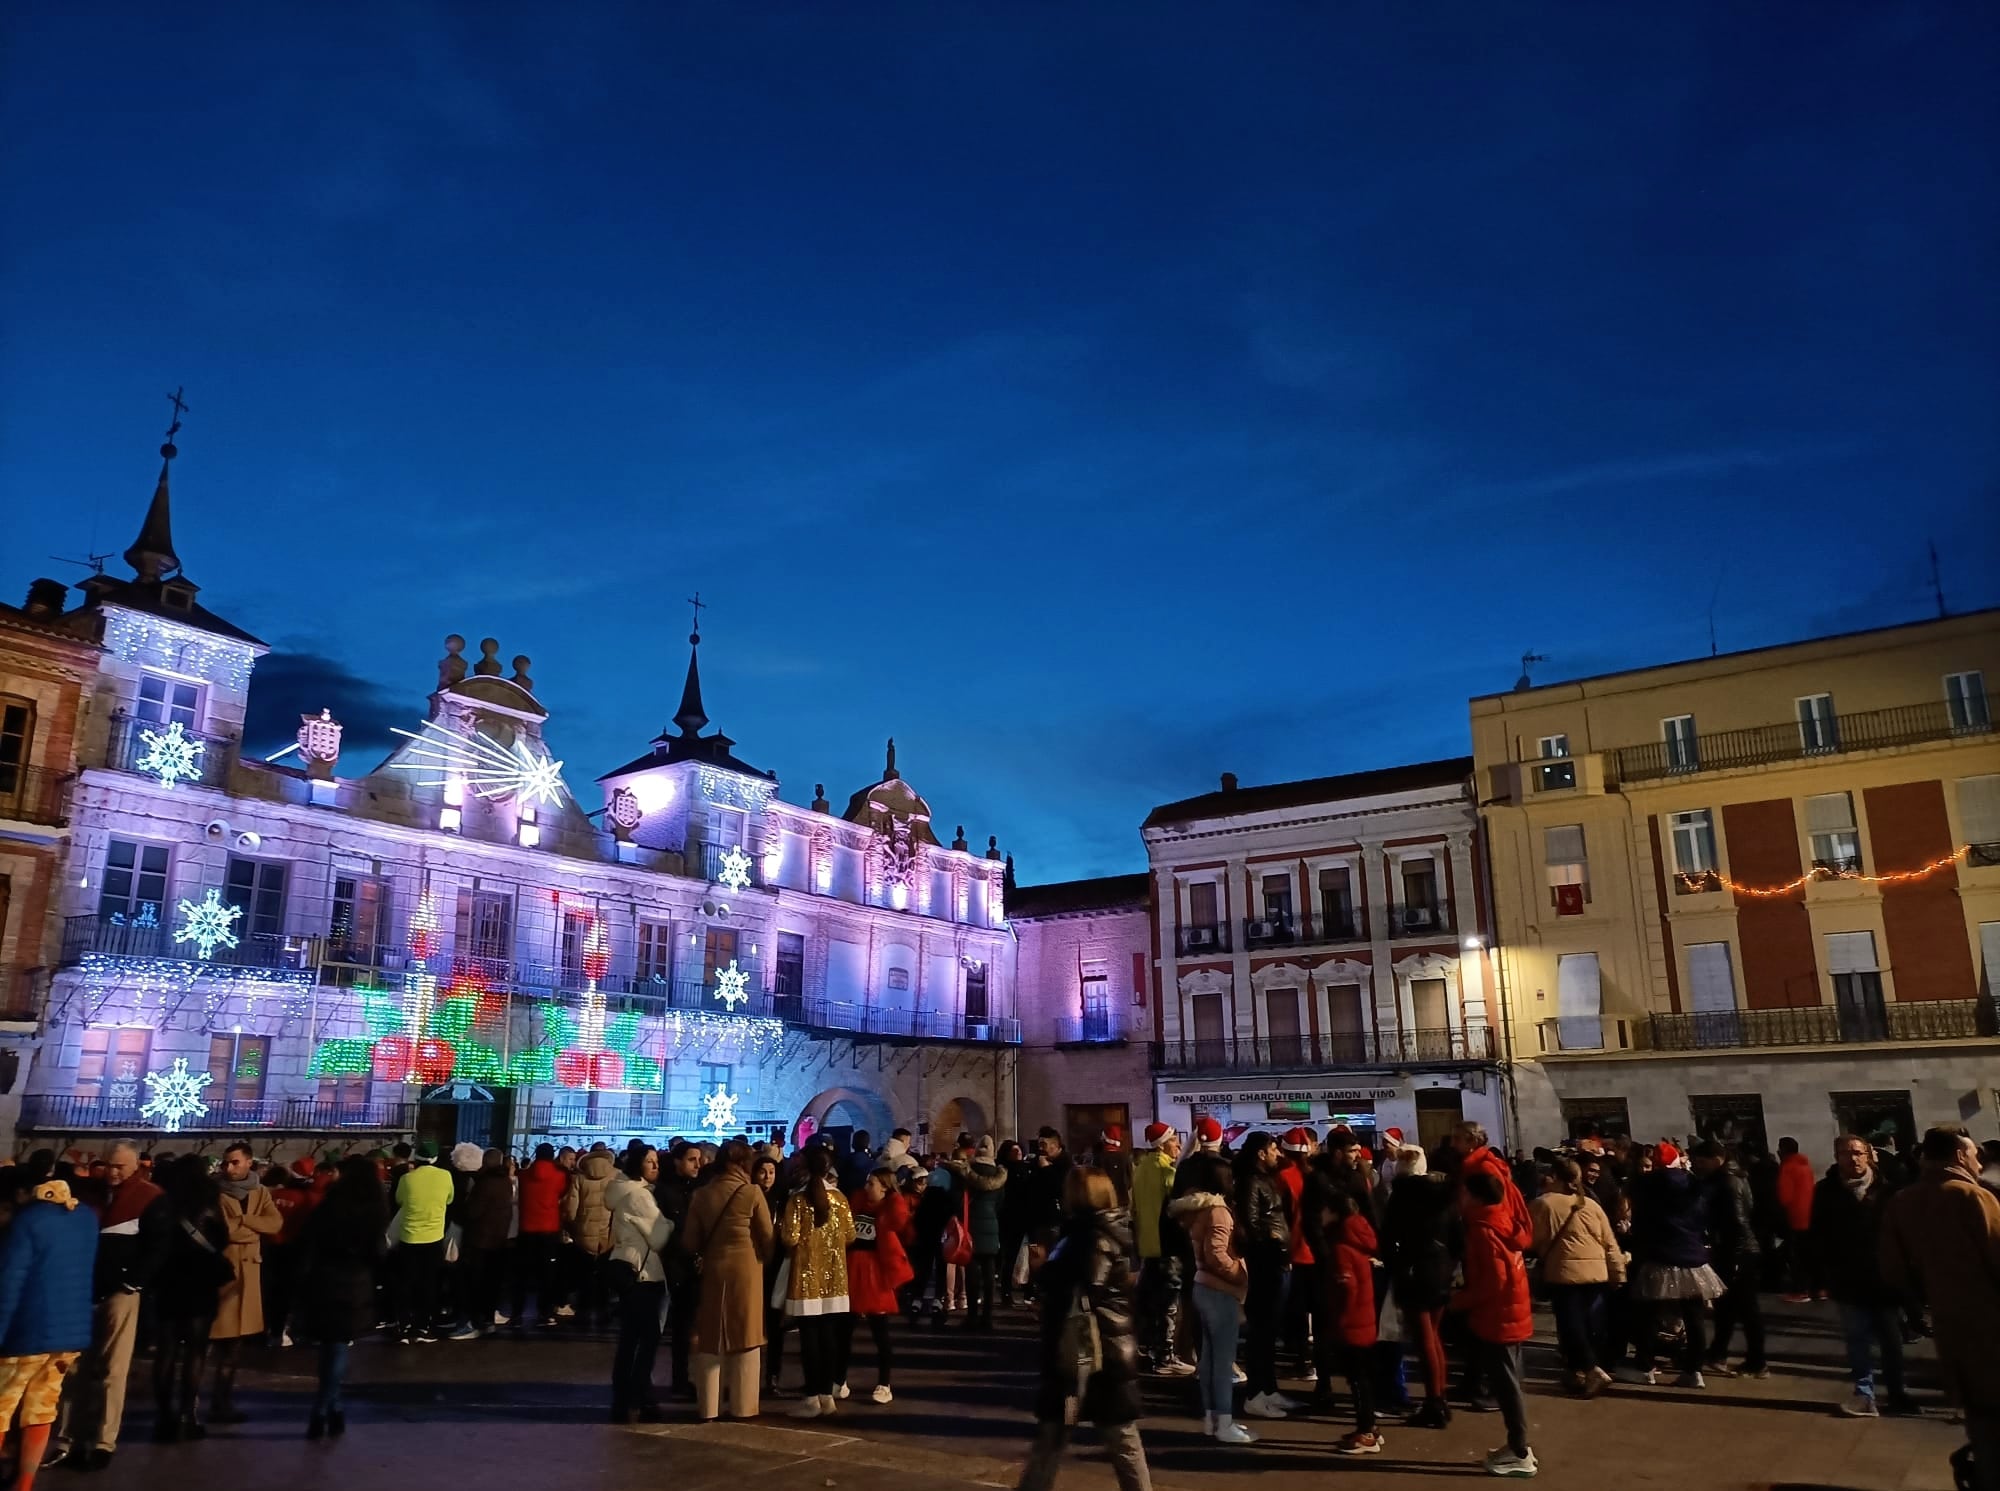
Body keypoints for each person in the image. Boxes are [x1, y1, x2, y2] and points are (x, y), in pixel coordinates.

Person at [1017, 1168, 1151, 1491]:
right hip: (1086, 1351)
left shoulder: (1095, 1236)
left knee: (1118, 1435)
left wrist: (1043, 1271)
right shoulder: (1087, 1231)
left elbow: (1088, 1285)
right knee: (1057, 1431)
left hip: (1093, 1353)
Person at [1882, 1127, 2000, 1491]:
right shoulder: (1974, 1196)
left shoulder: (1902, 1201)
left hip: (1950, 1325)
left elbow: (1893, 1268)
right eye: (1974, 1154)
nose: (1980, 1161)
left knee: (1980, 1414)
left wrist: (1926, 1304)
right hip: (1993, 1324)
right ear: (1959, 1157)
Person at [62, 1141, 168, 1470]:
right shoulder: (99, 1196)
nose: (113, 1172)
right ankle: (72, 1439)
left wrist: (131, 1283)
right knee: (76, 1370)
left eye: (120, 1166)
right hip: (92, 1290)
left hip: (118, 1292)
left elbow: (158, 1248)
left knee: (112, 1370)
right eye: (110, 1165)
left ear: (136, 1166)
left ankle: (102, 1440)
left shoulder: (147, 1199)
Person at [0, 1178, 97, 1491]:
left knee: (1, 1408)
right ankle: (25, 1481)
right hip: (69, 1335)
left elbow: (9, 1285)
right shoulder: (86, 1218)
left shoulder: (28, 1221)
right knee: (42, 1408)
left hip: (25, 1334)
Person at [1812, 1134, 1915, 1418]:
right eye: (1846, 1153)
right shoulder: (1826, 1191)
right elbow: (1818, 1236)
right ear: (1837, 1157)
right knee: (1857, 1339)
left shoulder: (1889, 1190)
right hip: (1848, 1279)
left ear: (1869, 1155)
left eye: (1858, 1153)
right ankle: (1864, 1393)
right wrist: (1820, 1276)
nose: (1853, 1158)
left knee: (1891, 1341)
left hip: (1885, 1278)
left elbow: (1904, 1234)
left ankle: (1897, 1392)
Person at [681, 1139, 775, 1422]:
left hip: (713, 1269)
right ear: (745, 1163)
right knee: (746, 1337)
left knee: (711, 1337)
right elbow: (767, 1238)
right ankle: (743, 1406)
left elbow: (689, 1241)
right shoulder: (752, 1193)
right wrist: (760, 1259)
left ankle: (708, 1407)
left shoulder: (702, 1194)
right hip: (746, 1270)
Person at [1455, 1168, 1537, 1479]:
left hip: (1498, 1315)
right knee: (1510, 1382)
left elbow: (1493, 1281)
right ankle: (1517, 1446)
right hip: (1511, 1310)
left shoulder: (1483, 1229)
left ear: (1474, 1196)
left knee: (1507, 1386)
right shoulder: (1501, 1222)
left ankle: (1519, 1449)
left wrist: (1458, 1301)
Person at [298, 1157, 387, 1440]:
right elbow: (376, 1250)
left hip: (324, 1277)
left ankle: (332, 1407)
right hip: (354, 1279)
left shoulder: (330, 1203)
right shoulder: (373, 1207)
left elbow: (308, 1239)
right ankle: (323, 1408)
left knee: (329, 1346)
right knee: (338, 1346)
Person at [1625, 1141, 1721, 1388]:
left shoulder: (1645, 1186)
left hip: (1659, 1256)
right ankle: (1694, 1370)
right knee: (1694, 1317)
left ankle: (1646, 1367)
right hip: (1692, 1256)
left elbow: (1641, 1221)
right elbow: (1704, 1217)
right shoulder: (1693, 1185)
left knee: (1648, 1315)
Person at [151, 1156, 231, 1442]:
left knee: (166, 1351)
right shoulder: (209, 1198)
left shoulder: (163, 1199)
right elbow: (223, 1237)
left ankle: (163, 1417)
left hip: (169, 1279)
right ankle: (187, 1415)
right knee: (195, 1351)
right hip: (201, 1279)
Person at [1169, 1171, 1252, 1443]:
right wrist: (1240, 1274)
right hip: (1220, 1290)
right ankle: (1224, 1422)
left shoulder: (1199, 1211)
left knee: (1209, 1360)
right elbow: (1216, 1253)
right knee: (1222, 1361)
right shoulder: (1219, 1212)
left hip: (1203, 1287)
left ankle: (1211, 1419)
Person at [1529, 1158, 1622, 1396]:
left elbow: (1532, 1239)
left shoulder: (1544, 1204)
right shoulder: (1591, 1205)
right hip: (1597, 1272)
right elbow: (1609, 1242)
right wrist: (1617, 1273)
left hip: (1564, 1273)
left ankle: (1591, 1370)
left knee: (1571, 1326)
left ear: (1556, 1177)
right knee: (1591, 1325)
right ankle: (1577, 1371)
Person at [1381, 1144, 1459, 1427]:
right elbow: (1457, 1236)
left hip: (1414, 1269)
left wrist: (1395, 1264)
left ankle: (1433, 1402)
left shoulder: (1402, 1196)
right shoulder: (1444, 1195)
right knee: (1435, 1337)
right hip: (1441, 1268)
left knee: (1424, 1336)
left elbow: (1388, 1237)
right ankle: (1440, 1398)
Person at [780, 1145, 856, 1419]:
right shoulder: (841, 1199)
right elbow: (850, 1235)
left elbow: (789, 1237)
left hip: (805, 1279)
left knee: (809, 1339)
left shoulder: (797, 1200)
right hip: (835, 1279)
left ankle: (811, 1397)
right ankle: (827, 1394)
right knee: (829, 1338)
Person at [208, 1142, 281, 1424]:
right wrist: (253, 1228)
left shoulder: (259, 1191)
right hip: (224, 1273)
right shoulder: (215, 1193)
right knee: (214, 1340)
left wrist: (246, 1220)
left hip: (248, 1274)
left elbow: (275, 1224)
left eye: (235, 1162)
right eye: (226, 1163)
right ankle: (203, 1401)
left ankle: (222, 1401)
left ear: (249, 1162)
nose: (229, 1167)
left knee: (235, 1345)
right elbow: (226, 1231)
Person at [607, 1148, 673, 1424]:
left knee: (629, 1339)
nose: (655, 1166)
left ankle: (624, 1397)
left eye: (657, 1161)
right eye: (650, 1161)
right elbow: (658, 1237)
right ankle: (639, 1397)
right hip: (644, 1274)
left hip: (628, 1270)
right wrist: (669, 1222)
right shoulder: (640, 1195)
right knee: (646, 1342)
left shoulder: (621, 1191)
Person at [1692, 1139, 1766, 1379]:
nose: (1697, 1166)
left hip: (1737, 1251)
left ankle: (1757, 1361)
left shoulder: (1726, 1181)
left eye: (1701, 1161)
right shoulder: (1734, 1177)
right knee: (1728, 1306)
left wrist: (1732, 1253)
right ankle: (1718, 1353)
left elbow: (1737, 1221)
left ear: (1716, 1159)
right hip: (1738, 1249)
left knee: (1746, 1309)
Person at [1233, 1132, 1294, 1420]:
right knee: (1262, 1330)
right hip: (1267, 1264)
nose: (1277, 1154)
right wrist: (1269, 1247)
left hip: (1277, 1260)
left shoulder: (1263, 1179)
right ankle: (1256, 1393)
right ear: (1260, 1152)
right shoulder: (1251, 1181)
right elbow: (1251, 1222)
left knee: (1270, 1330)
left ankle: (1268, 1389)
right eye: (1272, 1149)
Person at [1320, 1189, 1384, 1455]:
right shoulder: (1359, 1240)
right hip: (1365, 1319)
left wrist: (1338, 1318)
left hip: (1351, 1323)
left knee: (1357, 1381)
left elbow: (1347, 1287)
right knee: (1363, 1377)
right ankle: (1369, 1426)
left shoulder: (1341, 1248)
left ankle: (1365, 1430)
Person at [843, 1167, 913, 1403]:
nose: (866, 1187)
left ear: (884, 1187)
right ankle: (839, 1379)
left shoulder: (890, 1209)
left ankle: (884, 1383)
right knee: (845, 1329)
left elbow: (900, 1222)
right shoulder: (858, 1204)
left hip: (875, 1272)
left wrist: (894, 1198)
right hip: (853, 1268)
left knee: (880, 1332)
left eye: (871, 1183)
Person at [1130, 1124, 1188, 1375]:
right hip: (1167, 1244)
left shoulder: (1141, 1168)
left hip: (1147, 1244)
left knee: (1150, 1301)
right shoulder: (1167, 1172)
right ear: (1163, 1144)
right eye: (1174, 1141)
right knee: (1168, 1303)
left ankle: (1149, 1349)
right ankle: (1165, 1356)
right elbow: (1177, 1207)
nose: (1177, 1145)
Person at [391, 1142, 454, 1345]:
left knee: (406, 1282)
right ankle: (423, 1326)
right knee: (428, 1284)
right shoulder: (445, 1177)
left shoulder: (406, 1179)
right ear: (435, 1158)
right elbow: (450, 1199)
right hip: (434, 1238)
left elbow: (400, 1200)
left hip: (409, 1238)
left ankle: (404, 1326)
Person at [655, 1143, 702, 1400]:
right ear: (677, 1161)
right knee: (661, 1324)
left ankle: (680, 1378)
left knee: (684, 1327)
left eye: (699, 1159)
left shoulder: (697, 1189)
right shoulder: (665, 1191)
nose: (697, 1164)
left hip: (688, 1266)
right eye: (691, 1159)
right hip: (670, 1264)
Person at [453, 1150, 514, 1338]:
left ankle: (472, 1324)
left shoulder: (484, 1183)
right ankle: (487, 1321)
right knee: (492, 1283)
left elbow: (473, 1212)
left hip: (480, 1239)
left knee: (475, 1283)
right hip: (499, 1238)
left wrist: (459, 1213)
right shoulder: (506, 1181)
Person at [515, 1144, 570, 1328]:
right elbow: (562, 1193)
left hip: (526, 1228)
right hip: (549, 1229)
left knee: (521, 1272)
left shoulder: (523, 1176)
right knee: (547, 1273)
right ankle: (545, 1312)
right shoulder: (560, 1176)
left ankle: (516, 1312)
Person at [563, 1147, 617, 1330]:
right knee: (603, 1276)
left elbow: (571, 1210)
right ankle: (603, 1312)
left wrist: (572, 1227)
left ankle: (583, 1312)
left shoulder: (578, 1178)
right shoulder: (616, 1176)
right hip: (607, 1236)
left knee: (584, 1276)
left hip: (583, 1235)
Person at [751, 1155, 790, 1396]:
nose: (768, 1177)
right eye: (763, 1172)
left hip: (774, 1267)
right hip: (753, 1265)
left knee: (775, 1325)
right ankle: (750, 1373)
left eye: (772, 1172)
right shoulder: (748, 1197)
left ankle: (772, 1374)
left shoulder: (782, 1200)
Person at [1777, 1138, 1821, 1302]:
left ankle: (1801, 1290)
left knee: (1797, 1256)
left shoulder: (1787, 1167)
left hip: (1795, 1216)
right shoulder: (1805, 1165)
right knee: (1811, 1254)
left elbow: (1784, 1196)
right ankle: (1818, 1288)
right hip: (1809, 1214)